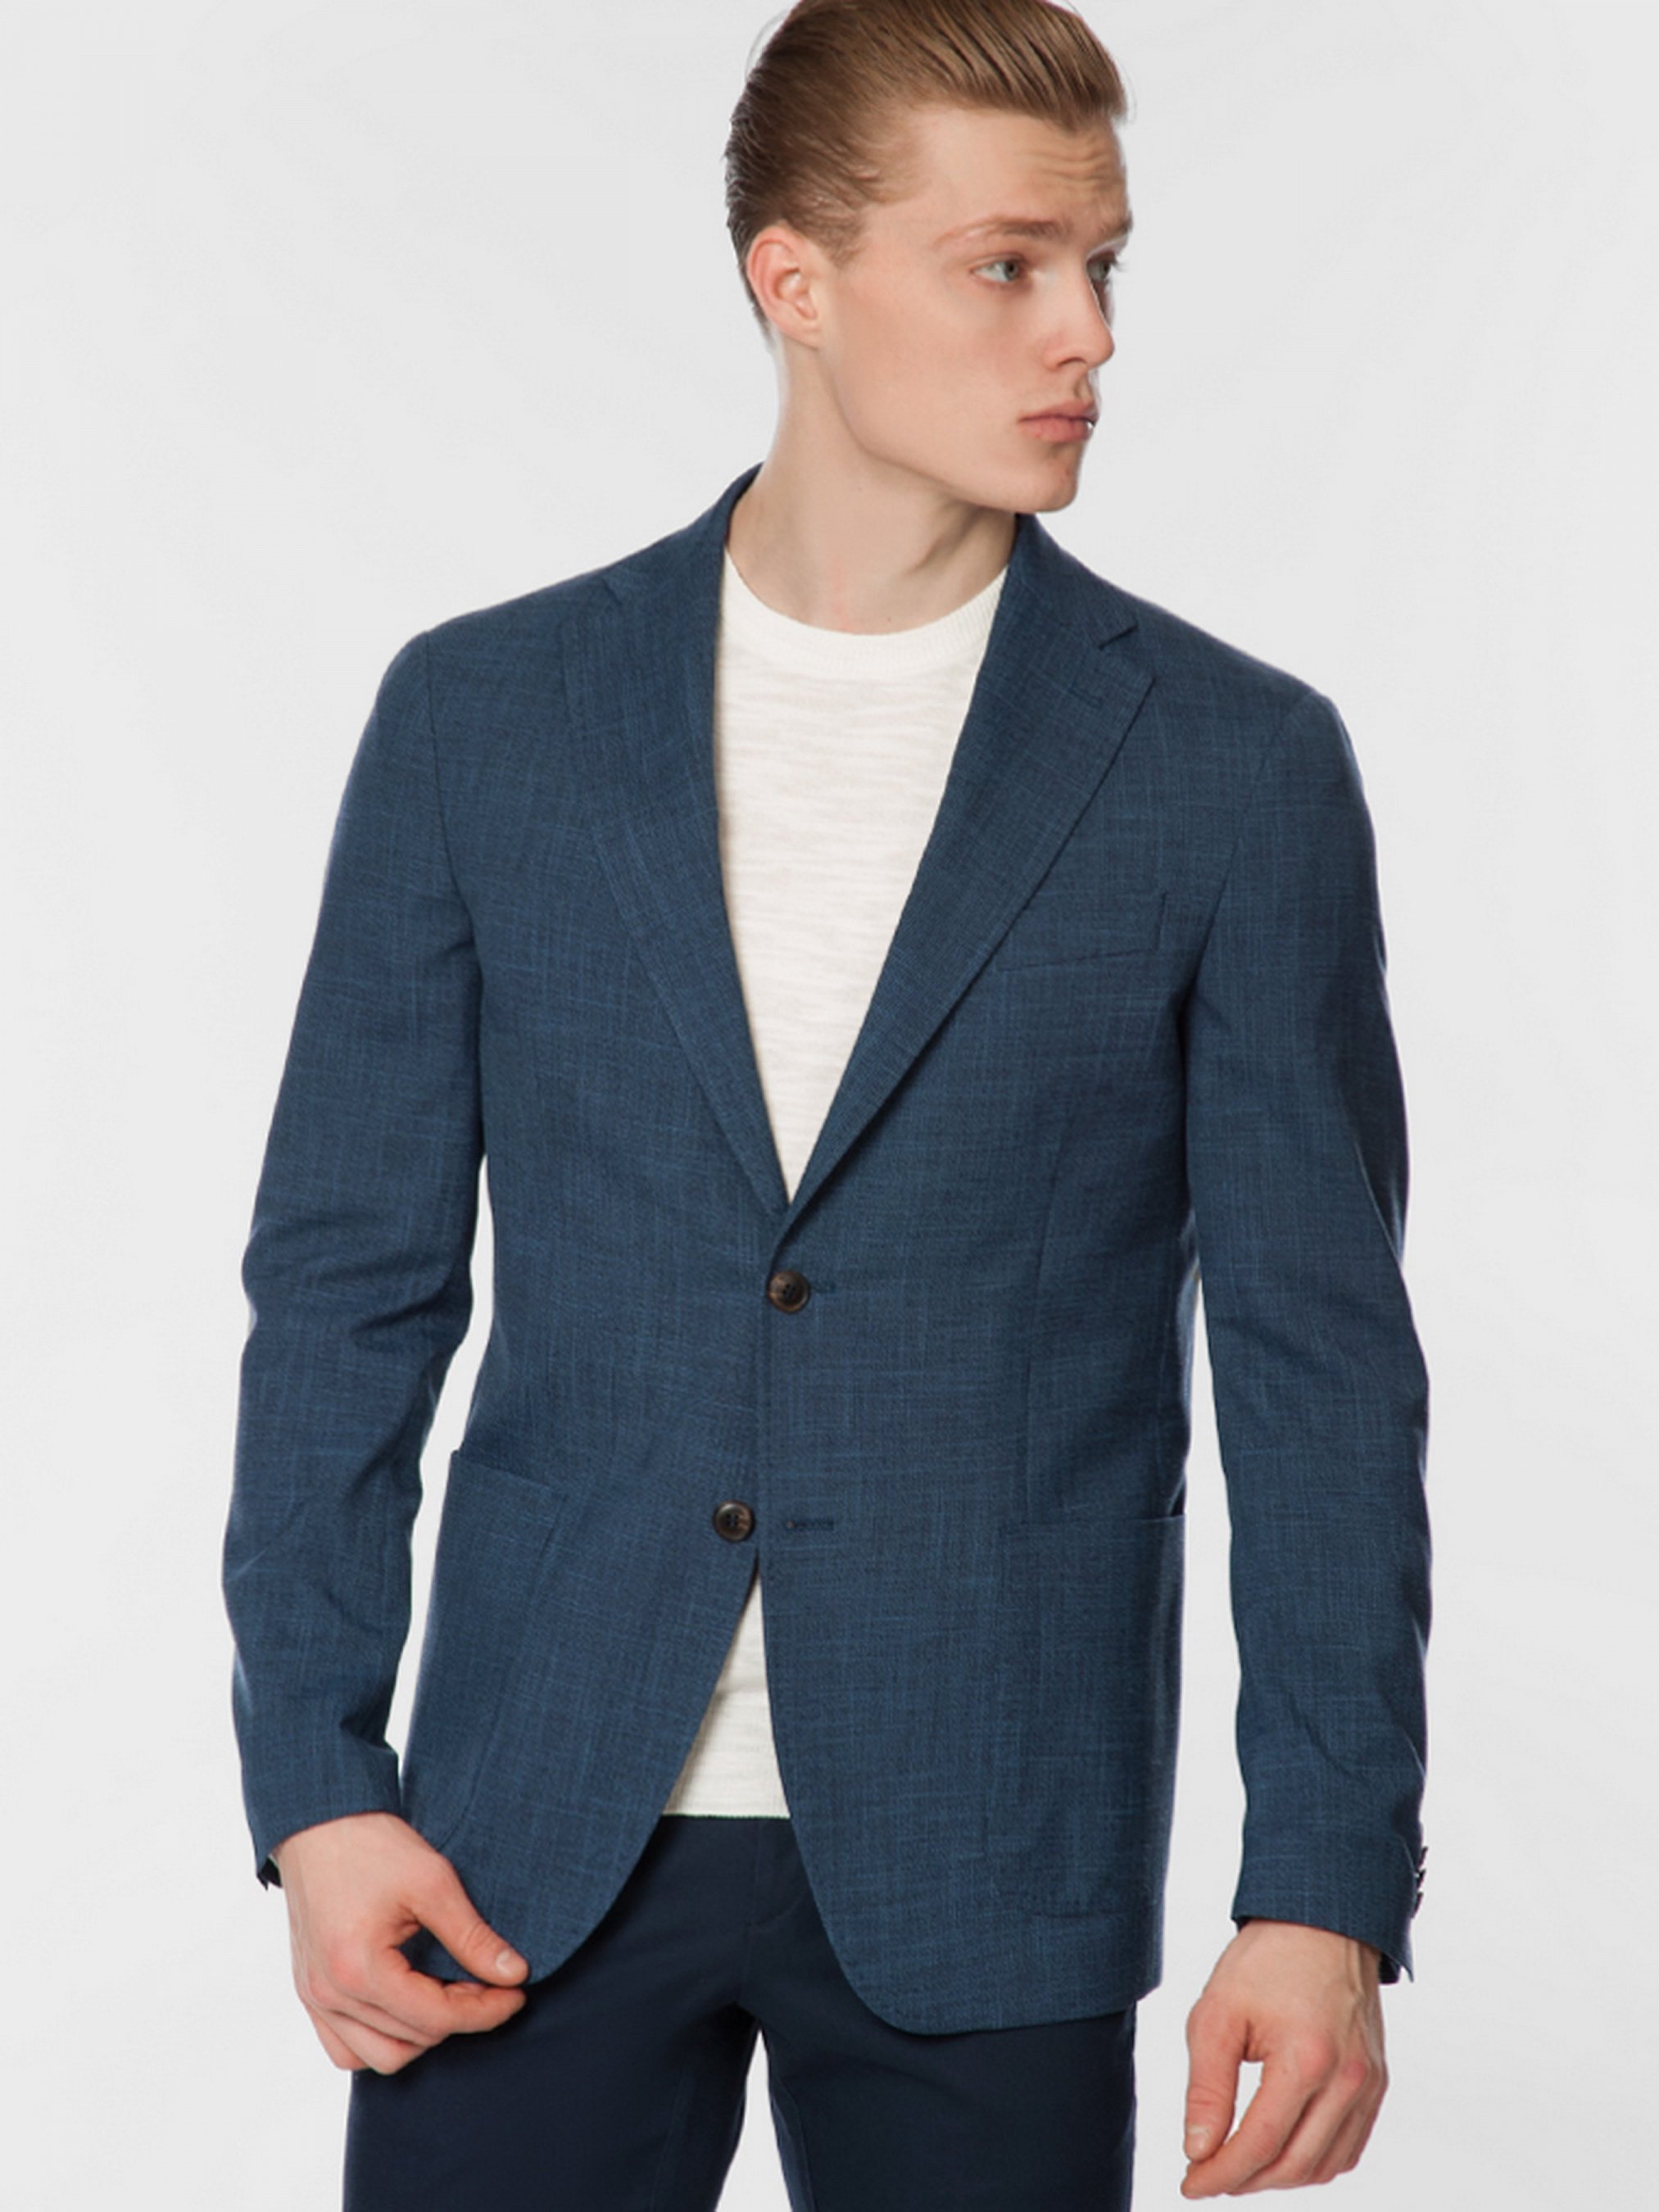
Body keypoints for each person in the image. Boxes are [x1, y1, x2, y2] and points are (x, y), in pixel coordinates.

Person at [223, 2, 1430, 2205]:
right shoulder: (485, 718)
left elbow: (1319, 1366)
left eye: (1102, 266)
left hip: (992, 1831)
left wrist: (1323, 1886)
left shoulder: (1233, 766)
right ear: (795, 279)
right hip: (518, 1842)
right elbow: (346, 1286)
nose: (1085, 333)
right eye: (1006, 265)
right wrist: (314, 1782)